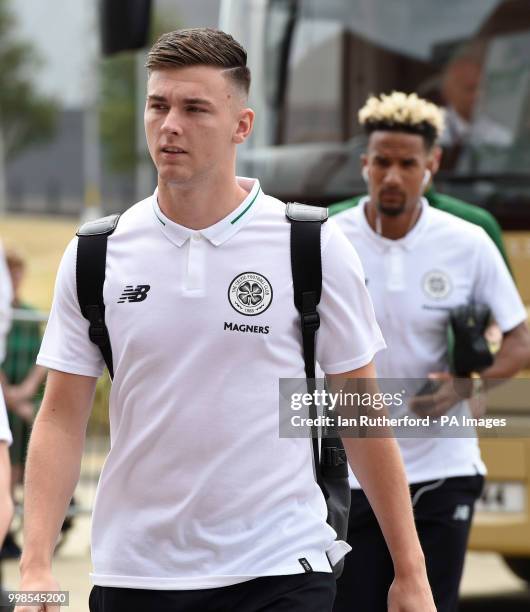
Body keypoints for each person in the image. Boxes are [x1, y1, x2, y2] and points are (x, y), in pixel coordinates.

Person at [17, 30, 435, 612]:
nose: (170, 125)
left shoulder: (310, 244)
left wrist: (409, 572)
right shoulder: (97, 254)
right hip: (137, 573)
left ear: (242, 125)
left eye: (195, 109)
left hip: (280, 566)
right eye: (158, 105)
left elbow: (360, 408)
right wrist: (36, 564)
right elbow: (62, 418)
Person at [330, 91, 530, 612]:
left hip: (443, 464)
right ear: (364, 165)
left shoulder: (467, 241)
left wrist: (465, 387)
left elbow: (520, 339)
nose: (392, 176)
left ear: (432, 166)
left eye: (407, 164)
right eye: (382, 163)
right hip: (353, 469)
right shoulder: (329, 238)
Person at [0, 249, 46, 559]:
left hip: (21, 400)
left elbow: (45, 354)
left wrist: (26, 390)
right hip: (7, 400)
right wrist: (8, 396)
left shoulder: (27, 315)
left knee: (19, 472)